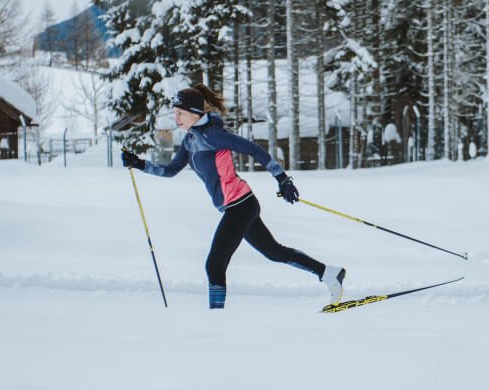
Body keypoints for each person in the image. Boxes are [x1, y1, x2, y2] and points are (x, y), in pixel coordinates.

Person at [122, 84, 346, 309]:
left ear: (194, 112)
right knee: (274, 252)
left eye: (180, 112)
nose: (176, 117)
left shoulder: (214, 135)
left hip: (240, 205)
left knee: (214, 265)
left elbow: (254, 150)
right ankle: (329, 274)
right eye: (175, 112)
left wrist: (282, 179)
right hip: (239, 205)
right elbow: (170, 170)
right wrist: (139, 164)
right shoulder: (190, 140)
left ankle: (216, 320)